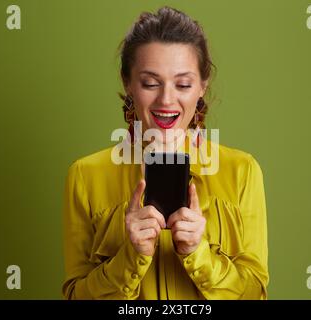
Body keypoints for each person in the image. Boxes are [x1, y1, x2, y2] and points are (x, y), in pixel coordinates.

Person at [62, 6, 268, 300]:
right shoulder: (85, 176)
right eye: (150, 83)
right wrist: (130, 257)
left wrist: (200, 255)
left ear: (201, 87)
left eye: (183, 84)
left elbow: (255, 295)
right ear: (128, 84)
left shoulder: (242, 171)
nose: (167, 99)